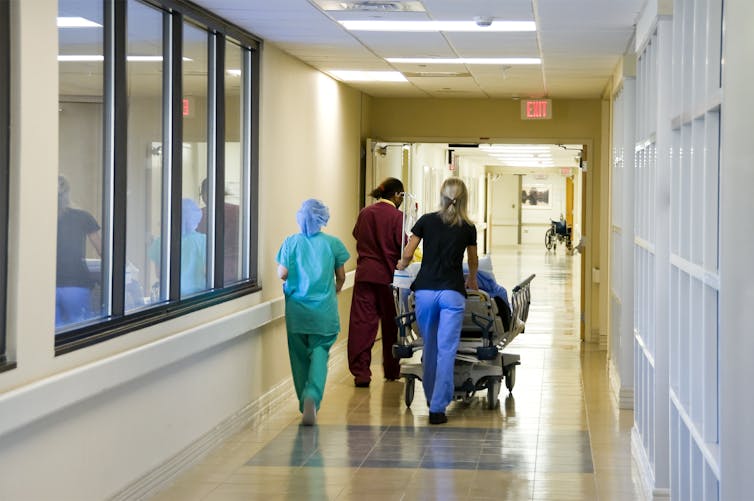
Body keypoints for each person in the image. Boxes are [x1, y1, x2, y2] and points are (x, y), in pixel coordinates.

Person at [397, 178, 478, 425]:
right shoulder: (468, 227)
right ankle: (438, 409)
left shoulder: (426, 221)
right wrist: (472, 279)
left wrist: (402, 265)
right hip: (452, 293)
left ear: (441, 195)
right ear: (464, 198)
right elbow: (473, 260)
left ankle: (431, 398)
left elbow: (409, 253)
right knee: (447, 349)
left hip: (425, 292)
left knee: (429, 346)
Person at [277, 199, 350, 426]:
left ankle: (303, 401)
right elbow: (341, 277)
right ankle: (313, 396)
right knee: (320, 354)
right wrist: (335, 288)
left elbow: (282, 273)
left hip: (297, 312)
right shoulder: (333, 244)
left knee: (299, 358)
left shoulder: (291, 242)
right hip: (324, 313)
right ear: (322, 219)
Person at [347, 177, 405, 387]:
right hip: (389, 279)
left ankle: (361, 374)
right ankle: (391, 370)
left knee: (362, 325)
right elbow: (403, 246)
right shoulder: (398, 217)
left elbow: (357, 235)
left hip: (364, 276)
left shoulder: (365, 213)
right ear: (397, 195)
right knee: (391, 325)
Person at [56, 175, 102, 328]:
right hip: (76, 284)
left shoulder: (37, 219)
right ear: (68, 194)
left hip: (45, 284)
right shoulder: (82, 217)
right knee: (79, 333)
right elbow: (101, 249)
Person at [148, 198, 207, 296]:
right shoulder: (203, 241)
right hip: (198, 296)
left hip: (170, 296)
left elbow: (159, 274)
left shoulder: (161, 241)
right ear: (196, 218)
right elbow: (207, 271)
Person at [197, 178, 240, 284]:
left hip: (211, 270)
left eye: (202, 194)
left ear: (205, 194)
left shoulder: (199, 216)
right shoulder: (238, 211)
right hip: (238, 270)